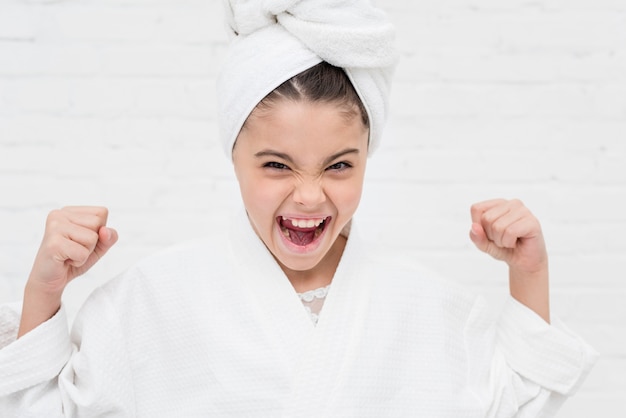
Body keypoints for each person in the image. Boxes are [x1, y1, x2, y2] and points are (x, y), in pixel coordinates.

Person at [0, 1, 597, 417]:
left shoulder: (433, 308)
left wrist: (530, 273)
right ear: (233, 155)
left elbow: (517, 403)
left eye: (340, 166)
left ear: (368, 157)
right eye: (276, 165)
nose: (309, 197)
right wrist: (44, 293)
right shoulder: (146, 303)